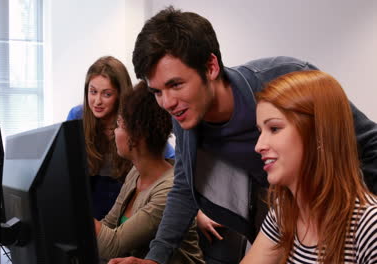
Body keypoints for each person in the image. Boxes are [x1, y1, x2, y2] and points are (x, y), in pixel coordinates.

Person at [109, 6, 377, 264]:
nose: (167, 102)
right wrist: (156, 258)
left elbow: (369, 144)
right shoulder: (186, 114)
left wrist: (349, 219)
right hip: (285, 220)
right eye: (156, 91)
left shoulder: (283, 80)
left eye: (176, 84)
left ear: (211, 67)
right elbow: (184, 186)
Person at [241, 70, 377, 263]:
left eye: (274, 129)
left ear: (318, 134)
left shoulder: (369, 226)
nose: (259, 146)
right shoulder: (284, 212)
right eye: (260, 131)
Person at [94, 81, 204, 264]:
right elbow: (108, 225)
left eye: (119, 124)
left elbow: (112, 246)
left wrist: (70, 208)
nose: (115, 131)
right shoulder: (135, 173)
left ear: (136, 136)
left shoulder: (169, 189)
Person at [67, 56, 175, 220]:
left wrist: (193, 209)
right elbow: (67, 166)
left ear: (120, 95)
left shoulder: (133, 120)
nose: (97, 101)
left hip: (125, 191)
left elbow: (170, 160)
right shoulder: (77, 116)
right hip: (91, 191)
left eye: (107, 94)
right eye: (93, 91)